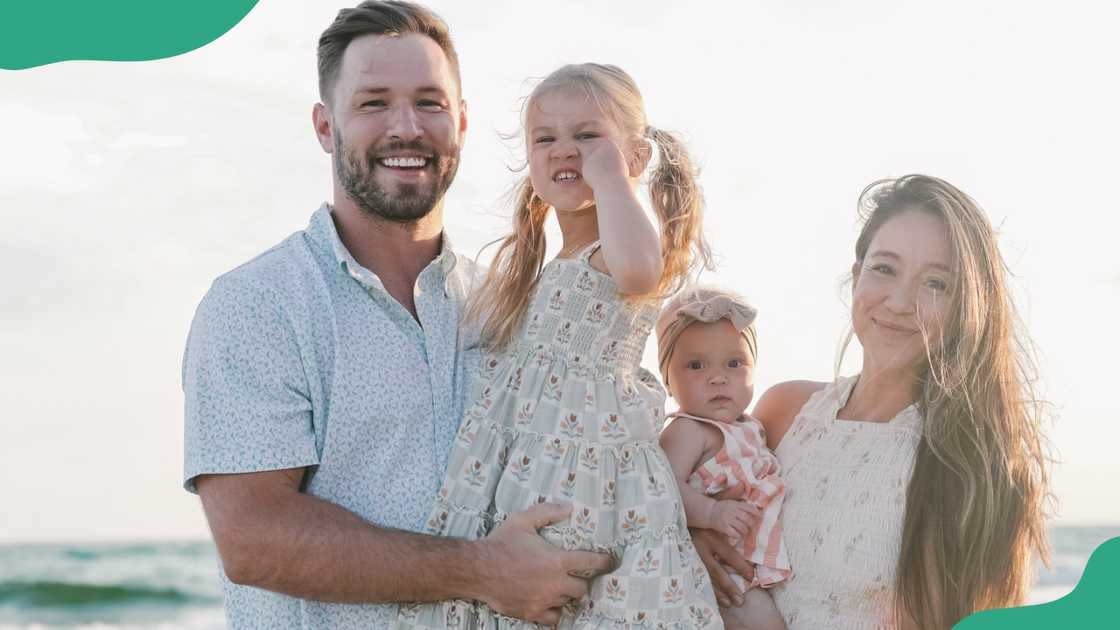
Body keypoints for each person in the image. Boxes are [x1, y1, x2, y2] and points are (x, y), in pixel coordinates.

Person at [181, 3, 612, 628]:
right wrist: (484, 570)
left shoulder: (512, 309)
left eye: (430, 103)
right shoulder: (257, 305)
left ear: (461, 123)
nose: (406, 127)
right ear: (326, 127)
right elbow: (255, 537)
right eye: (374, 102)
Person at [393, 63, 720, 629]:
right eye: (545, 139)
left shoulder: (622, 247)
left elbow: (643, 271)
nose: (566, 150)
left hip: (590, 476)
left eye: (588, 136)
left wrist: (613, 179)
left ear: (636, 158)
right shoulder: (559, 262)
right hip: (529, 471)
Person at [690, 175, 1051, 629]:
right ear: (857, 274)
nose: (901, 302)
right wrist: (695, 536)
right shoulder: (783, 412)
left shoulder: (970, 466)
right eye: (884, 268)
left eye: (936, 283)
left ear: (967, 306)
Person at [657, 287, 789, 630]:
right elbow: (661, 490)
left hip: (748, 563)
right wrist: (711, 512)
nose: (718, 377)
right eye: (696, 365)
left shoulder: (751, 427)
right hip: (719, 571)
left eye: (734, 363)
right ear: (667, 381)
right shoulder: (687, 430)